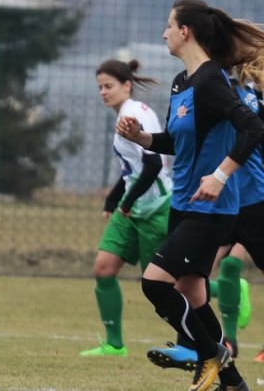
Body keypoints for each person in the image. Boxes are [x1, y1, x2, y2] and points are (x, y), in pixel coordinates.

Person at [116, 0, 264, 391]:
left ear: (186, 32)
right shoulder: (183, 82)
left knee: (155, 283)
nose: (163, 32)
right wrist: (141, 137)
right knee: (192, 294)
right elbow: (178, 141)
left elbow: (252, 128)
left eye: (168, 25)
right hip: (183, 205)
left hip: (212, 210)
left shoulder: (213, 81)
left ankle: (210, 354)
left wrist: (219, 175)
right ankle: (232, 383)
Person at [147, 79, 264, 371]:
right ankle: (199, 348)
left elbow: (252, 131)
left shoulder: (239, 96)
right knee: (190, 277)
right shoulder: (206, 87)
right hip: (219, 201)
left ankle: (210, 347)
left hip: (251, 200)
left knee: (206, 274)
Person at [78, 59, 172, 358]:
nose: (103, 92)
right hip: (132, 206)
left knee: (165, 284)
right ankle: (114, 344)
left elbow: (154, 163)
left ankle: (229, 287)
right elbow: (131, 169)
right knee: (104, 268)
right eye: (100, 88)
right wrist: (113, 201)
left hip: (156, 206)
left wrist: (126, 203)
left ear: (126, 86)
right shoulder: (126, 114)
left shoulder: (133, 115)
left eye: (109, 86)